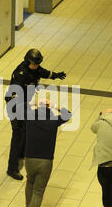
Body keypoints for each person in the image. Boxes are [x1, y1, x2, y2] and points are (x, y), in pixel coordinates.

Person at [4, 49, 66, 180]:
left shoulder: (35, 68)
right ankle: (11, 169)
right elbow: (13, 96)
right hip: (15, 106)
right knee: (18, 137)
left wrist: (55, 75)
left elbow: (44, 73)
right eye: (34, 64)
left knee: (26, 131)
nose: (36, 66)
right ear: (28, 61)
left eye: (38, 64)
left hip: (25, 104)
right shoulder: (21, 74)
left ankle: (22, 154)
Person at [22, 99, 72, 207]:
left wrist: (34, 103)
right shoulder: (53, 121)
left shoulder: (30, 118)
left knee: (30, 182)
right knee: (38, 191)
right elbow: (68, 114)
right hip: (46, 161)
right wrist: (54, 105)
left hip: (30, 159)